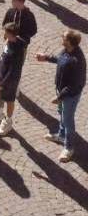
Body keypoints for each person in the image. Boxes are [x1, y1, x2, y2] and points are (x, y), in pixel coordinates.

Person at [36, 30, 86, 163]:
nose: (61, 38)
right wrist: (46, 57)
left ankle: (69, 148)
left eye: (63, 37)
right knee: (61, 112)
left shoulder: (76, 61)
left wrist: (60, 97)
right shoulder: (66, 51)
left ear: (69, 41)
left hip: (69, 95)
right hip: (61, 91)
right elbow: (60, 59)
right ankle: (61, 135)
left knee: (68, 119)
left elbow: (74, 85)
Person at [0, 23, 25, 136]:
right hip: (3, 76)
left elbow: (13, 71)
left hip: (10, 80)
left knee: (10, 100)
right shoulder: (9, 42)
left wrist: (2, 83)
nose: (4, 33)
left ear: (11, 34)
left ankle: (8, 121)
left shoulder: (17, 50)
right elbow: (4, 60)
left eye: (6, 32)